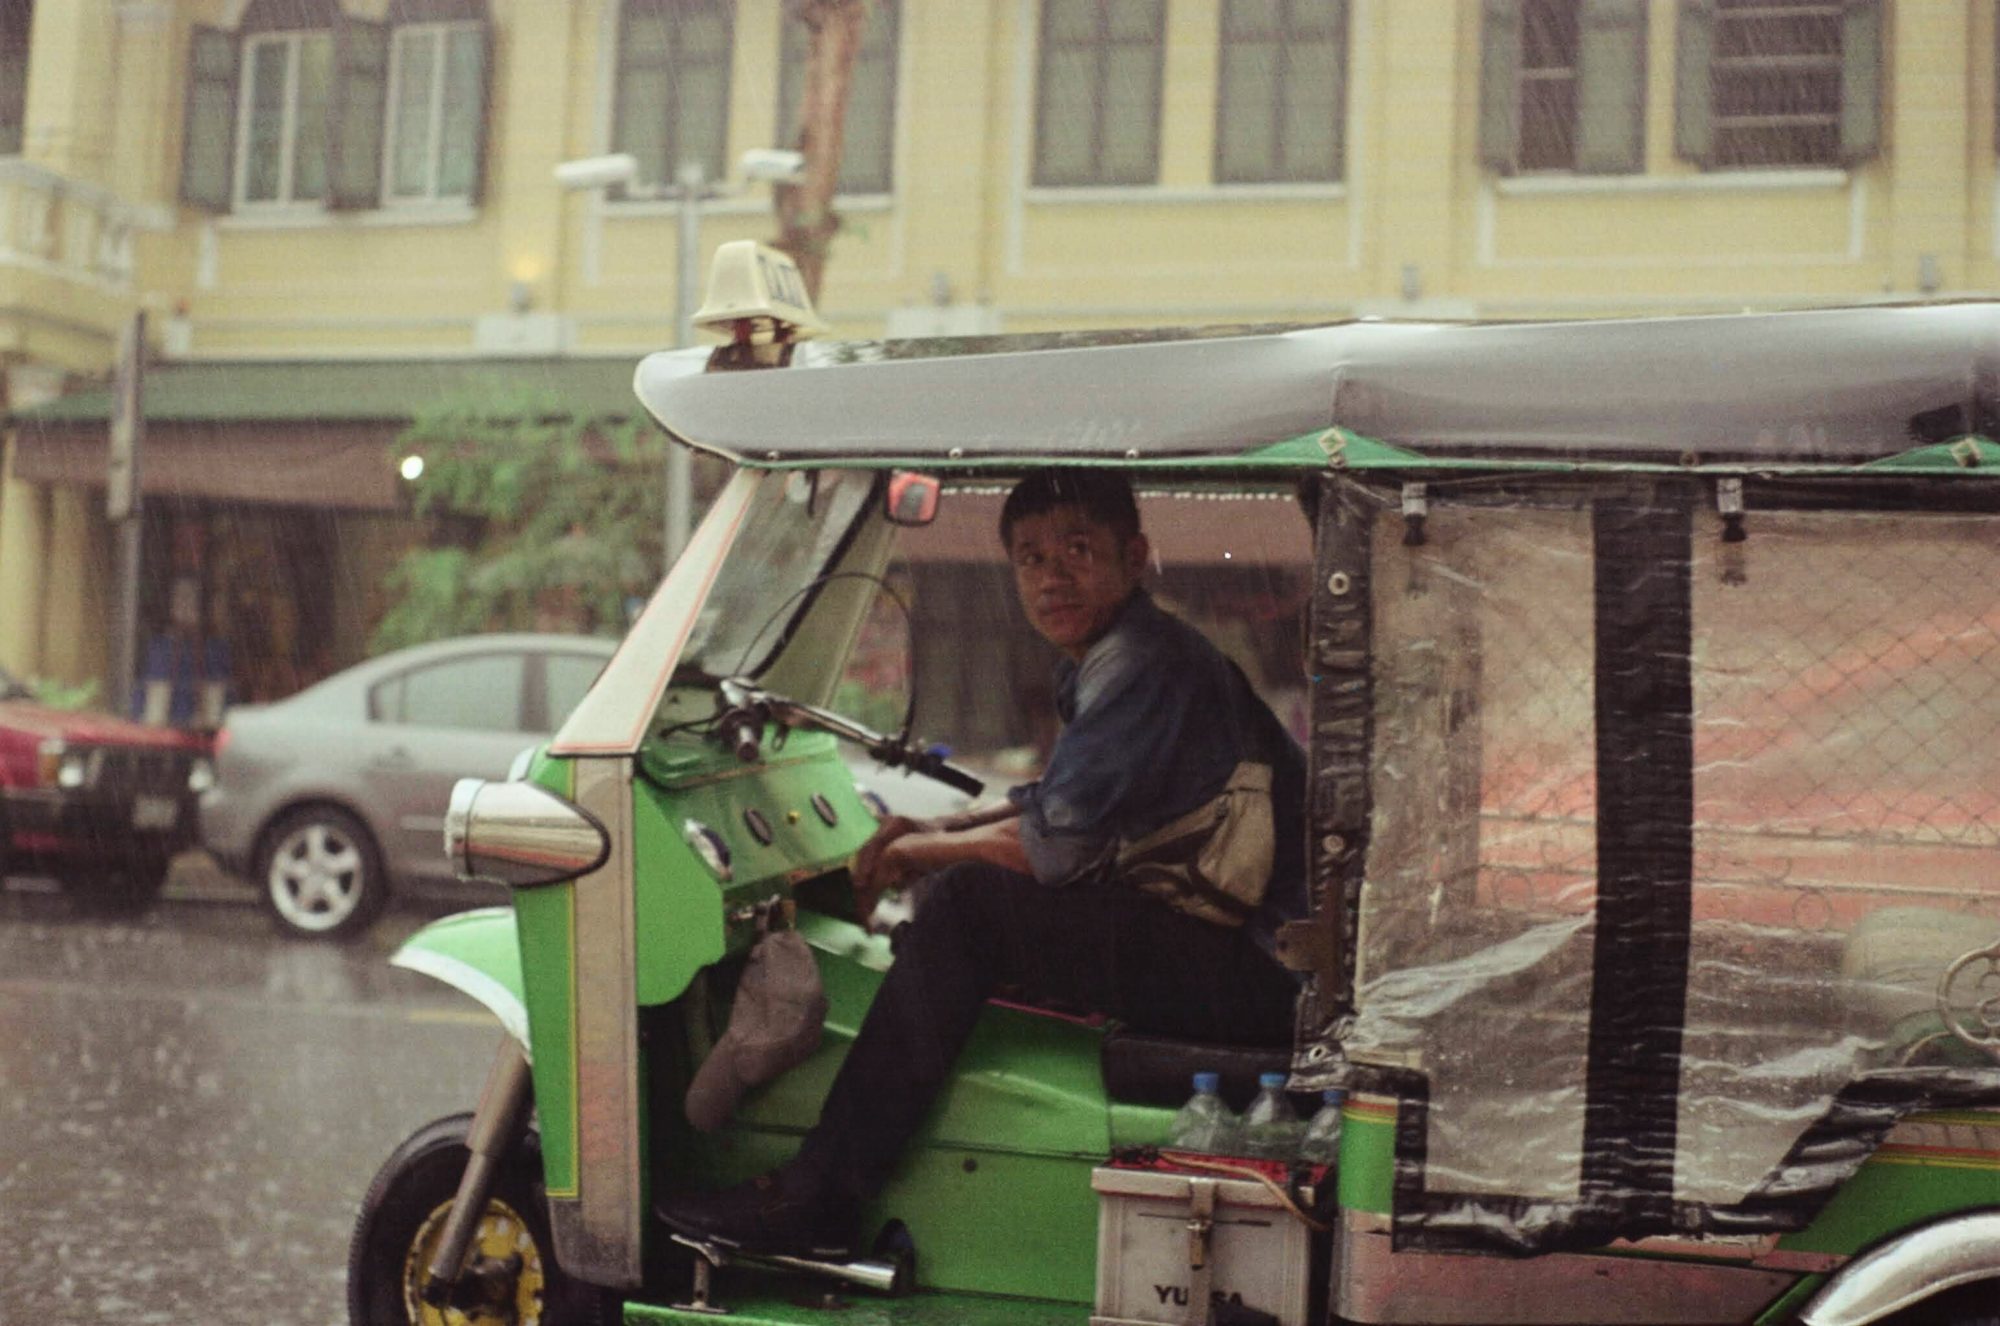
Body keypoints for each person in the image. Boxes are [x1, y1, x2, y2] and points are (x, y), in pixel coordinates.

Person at [656, 470, 1308, 1259]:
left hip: (1258, 973)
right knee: (960, 890)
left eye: (1078, 550)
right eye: (1031, 558)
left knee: (968, 907)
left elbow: (1054, 851)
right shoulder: (1114, 658)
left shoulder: (1144, 664)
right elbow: (1059, 805)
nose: (1052, 576)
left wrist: (911, 857)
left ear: (1134, 556)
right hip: (1235, 949)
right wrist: (931, 827)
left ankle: (821, 1198)